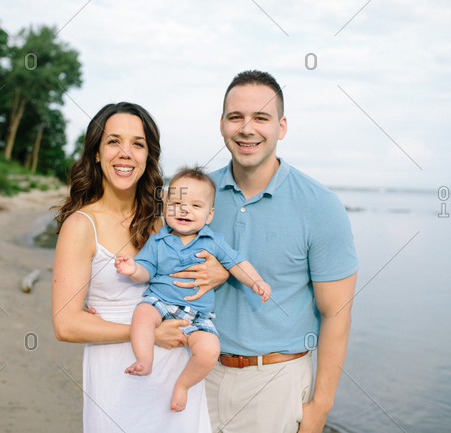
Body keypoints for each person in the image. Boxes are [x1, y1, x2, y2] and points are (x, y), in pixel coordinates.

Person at [170, 70, 359, 433]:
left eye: (261, 118)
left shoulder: (321, 206)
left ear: (281, 126)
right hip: (195, 373)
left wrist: (320, 406)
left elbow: (336, 314)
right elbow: (161, 264)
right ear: (222, 124)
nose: (247, 128)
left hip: (275, 384)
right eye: (236, 117)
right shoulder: (193, 198)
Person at [51, 102, 220, 433]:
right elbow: (66, 325)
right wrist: (148, 334)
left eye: (137, 144)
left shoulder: (166, 222)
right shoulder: (82, 225)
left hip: (177, 381)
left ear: (148, 156)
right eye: (114, 141)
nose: (125, 153)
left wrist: (222, 271)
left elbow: (209, 257)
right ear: (96, 153)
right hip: (118, 377)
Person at [115, 167, 271, 412]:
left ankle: (183, 385)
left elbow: (238, 263)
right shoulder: (157, 241)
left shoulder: (213, 242)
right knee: (142, 314)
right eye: (177, 203)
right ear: (166, 208)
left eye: (196, 206)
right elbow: (146, 269)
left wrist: (256, 282)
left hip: (198, 313)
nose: (185, 209)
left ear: (209, 215)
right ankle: (144, 359)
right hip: (161, 301)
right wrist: (133, 269)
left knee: (210, 351)